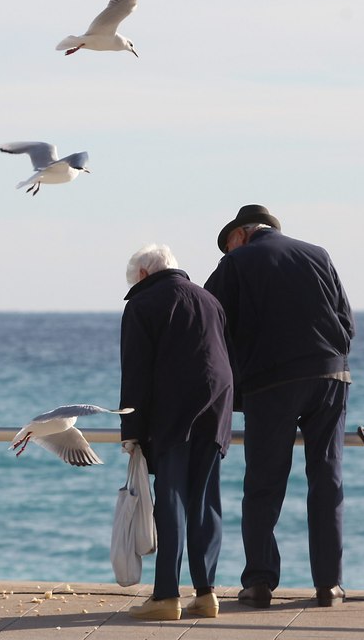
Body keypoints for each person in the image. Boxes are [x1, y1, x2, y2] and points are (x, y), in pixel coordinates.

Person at [205, 204, 354, 609]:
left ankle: (259, 583)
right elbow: (347, 323)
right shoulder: (318, 254)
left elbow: (210, 325)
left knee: (264, 485)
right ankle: (329, 585)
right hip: (330, 376)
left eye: (227, 244)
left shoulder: (236, 263)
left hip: (271, 382)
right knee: (327, 478)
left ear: (240, 234)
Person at [120, 244, 234, 622]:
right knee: (205, 501)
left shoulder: (142, 304)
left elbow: (135, 372)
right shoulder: (208, 299)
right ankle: (205, 594)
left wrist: (131, 431)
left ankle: (166, 596)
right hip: (217, 406)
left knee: (171, 502)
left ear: (142, 275)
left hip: (173, 414)